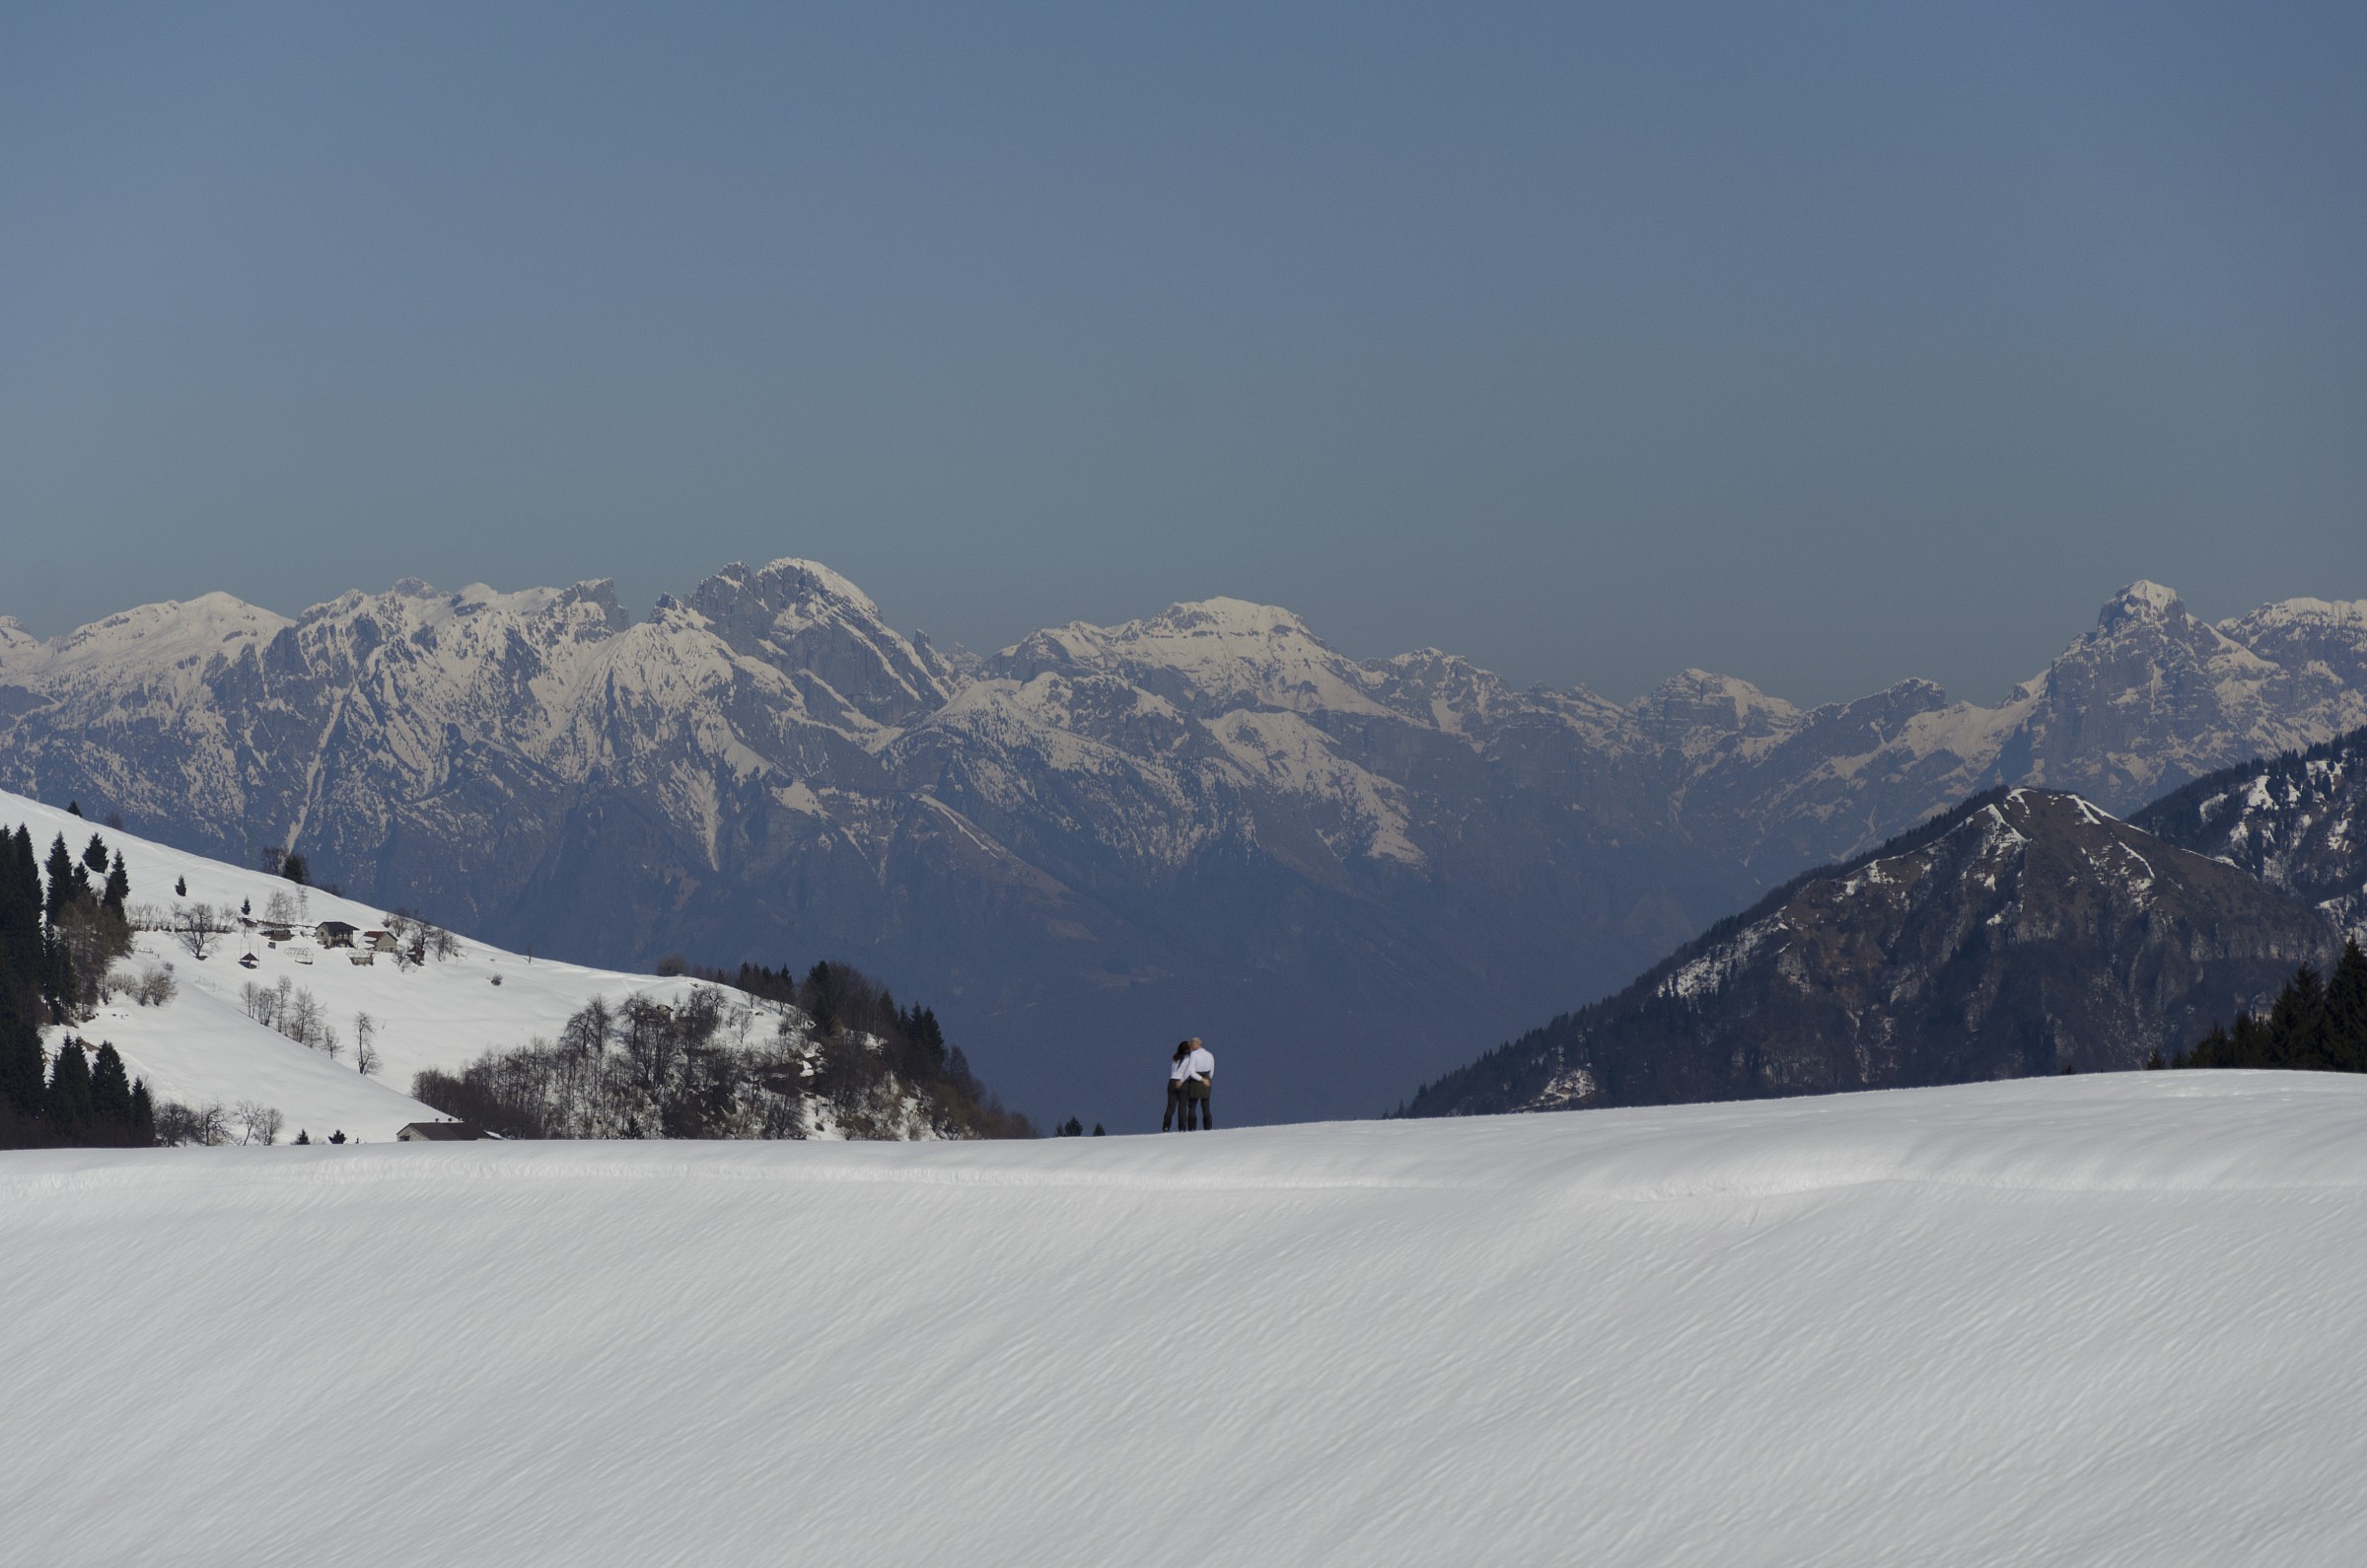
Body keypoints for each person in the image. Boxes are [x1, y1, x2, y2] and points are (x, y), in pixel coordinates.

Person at [1181, 1037, 1215, 1130]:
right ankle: (1208, 1128)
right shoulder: (1210, 1054)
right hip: (1207, 1080)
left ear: (1197, 1044)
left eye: (1192, 1044)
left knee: (1192, 1106)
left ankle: (1192, 1128)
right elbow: (1212, 1071)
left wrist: (1182, 1080)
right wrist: (1207, 1080)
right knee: (1206, 1106)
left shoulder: (1194, 1055)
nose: (1191, 1046)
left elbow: (1190, 1071)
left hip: (1196, 1080)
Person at [1162, 1040, 1192, 1131]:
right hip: (1182, 1082)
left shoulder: (1175, 1058)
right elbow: (1188, 1072)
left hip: (1172, 1081)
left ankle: (1166, 1126)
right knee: (1182, 1106)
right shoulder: (1189, 1059)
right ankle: (1182, 1128)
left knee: (1170, 1106)